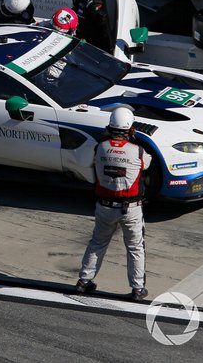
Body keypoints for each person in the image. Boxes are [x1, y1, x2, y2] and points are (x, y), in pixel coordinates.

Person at [76, 107, 151, 301]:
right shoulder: (138, 151)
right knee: (135, 248)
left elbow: (86, 161)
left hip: (104, 206)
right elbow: (147, 164)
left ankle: (84, 281)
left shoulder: (99, 147)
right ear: (131, 129)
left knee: (97, 243)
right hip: (131, 208)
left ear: (109, 126)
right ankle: (137, 289)